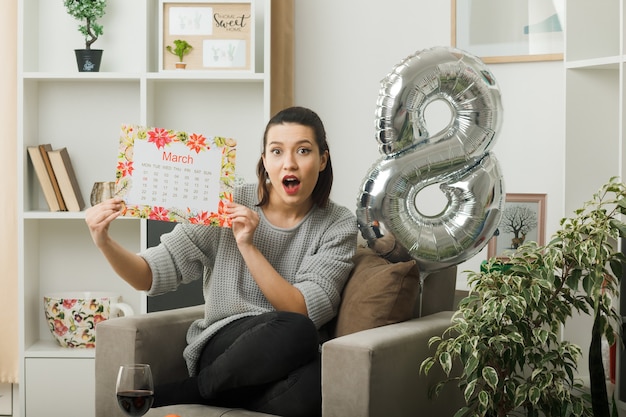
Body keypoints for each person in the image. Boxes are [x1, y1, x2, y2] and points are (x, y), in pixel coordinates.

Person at [85, 106, 358, 417]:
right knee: (299, 330)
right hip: (223, 347)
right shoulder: (226, 204)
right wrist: (104, 242)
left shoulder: (338, 224)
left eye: (304, 151)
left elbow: (301, 308)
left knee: (318, 378)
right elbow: (149, 276)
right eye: (277, 152)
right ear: (265, 161)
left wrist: (248, 246)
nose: (289, 163)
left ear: (323, 159)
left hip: (284, 354)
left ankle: (202, 392)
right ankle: (203, 386)